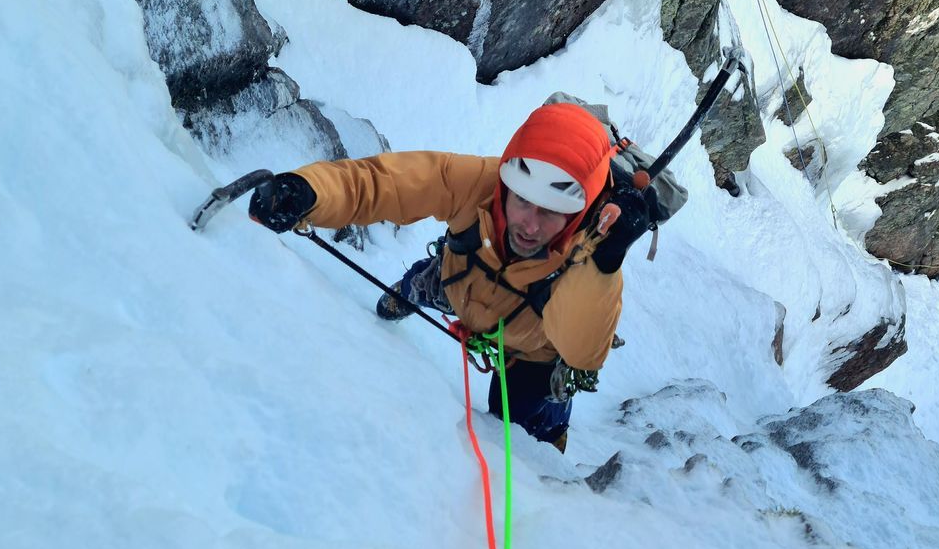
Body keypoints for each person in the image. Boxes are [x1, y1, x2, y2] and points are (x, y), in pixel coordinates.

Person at [245, 102, 651, 450]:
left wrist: (606, 260)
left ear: (577, 214)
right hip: (459, 284)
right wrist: (309, 192)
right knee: (425, 285)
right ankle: (409, 290)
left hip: (532, 348)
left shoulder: (591, 250)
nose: (529, 224)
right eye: (522, 201)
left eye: (550, 211)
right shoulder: (481, 183)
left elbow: (582, 350)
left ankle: (551, 429)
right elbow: (389, 182)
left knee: (515, 425)